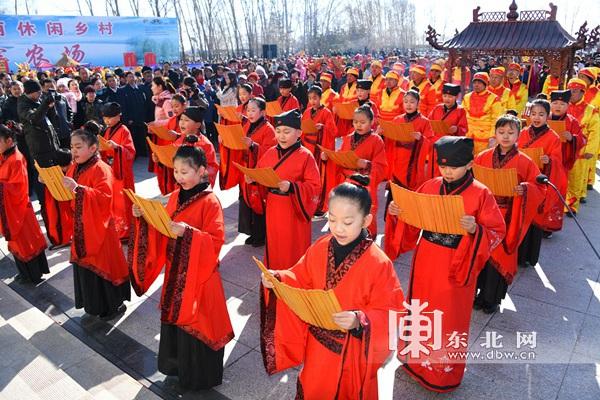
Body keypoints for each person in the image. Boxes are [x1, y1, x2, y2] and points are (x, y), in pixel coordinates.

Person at [260, 175, 404, 399]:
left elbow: (391, 310)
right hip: (317, 345)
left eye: (347, 222)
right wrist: (277, 279)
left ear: (366, 221)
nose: (338, 228)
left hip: (351, 350)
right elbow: (300, 276)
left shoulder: (379, 263)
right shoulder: (321, 246)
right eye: (332, 219)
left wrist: (360, 320)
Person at [389, 136, 505, 392]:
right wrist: (399, 213)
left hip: (459, 260)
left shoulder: (481, 193)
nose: (448, 172)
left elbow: (497, 230)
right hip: (427, 255)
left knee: (449, 315)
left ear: (470, 163)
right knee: (421, 307)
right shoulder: (430, 186)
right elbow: (413, 218)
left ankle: (443, 372)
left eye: (454, 166)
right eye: (443, 167)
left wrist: (476, 229)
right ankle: (415, 359)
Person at [128, 145, 233, 390]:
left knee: (198, 321)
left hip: (200, 275)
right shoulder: (175, 195)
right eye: (176, 171)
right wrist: (143, 216)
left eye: (185, 172)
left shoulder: (210, 201)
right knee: (176, 319)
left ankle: (199, 375)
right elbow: (163, 226)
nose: (179, 177)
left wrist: (187, 233)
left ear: (202, 171)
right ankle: (177, 367)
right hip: (176, 271)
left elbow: (216, 241)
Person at [56, 126, 130, 319]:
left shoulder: (102, 168)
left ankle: (112, 306)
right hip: (82, 225)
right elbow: (68, 192)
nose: (74, 151)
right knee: (86, 268)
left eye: (79, 146)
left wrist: (79, 189)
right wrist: (53, 183)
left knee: (103, 266)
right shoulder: (74, 166)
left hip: (99, 228)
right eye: (72, 147)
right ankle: (94, 306)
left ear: (93, 147)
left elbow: (105, 197)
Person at [473, 115, 545, 313]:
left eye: (511, 133)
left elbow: (539, 187)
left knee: (500, 255)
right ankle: (478, 294)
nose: (505, 136)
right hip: (485, 213)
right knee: (481, 254)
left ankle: (492, 299)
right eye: (501, 132)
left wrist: (525, 189)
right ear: (495, 134)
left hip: (508, 215)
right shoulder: (483, 156)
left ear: (517, 135)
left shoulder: (525, 161)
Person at [251, 109, 321, 269]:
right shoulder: (270, 152)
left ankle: (294, 283)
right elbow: (260, 171)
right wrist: (253, 179)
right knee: (275, 244)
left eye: (286, 132)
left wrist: (292, 187)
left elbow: (315, 186)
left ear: (299, 133)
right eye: (278, 131)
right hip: (273, 207)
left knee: (293, 248)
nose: (281, 136)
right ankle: (275, 280)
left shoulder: (306, 156)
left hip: (294, 209)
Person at [219, 97, 276, 246]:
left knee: (258, 203)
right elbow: (238, 143)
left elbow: (271, 151)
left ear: (263, 112)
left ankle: (260, 236)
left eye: (253, 110)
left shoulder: (268, 129)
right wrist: (226, 140)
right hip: (246, 169)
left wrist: (254, 146)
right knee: (246, 201)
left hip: (257, 171)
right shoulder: (246, 126)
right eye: (248, 110)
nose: (249, 113)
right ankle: (251, 232)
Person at [518, 99, 566, 267]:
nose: (536, 118)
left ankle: (529, 256)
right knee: (519, 217)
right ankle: (517, 254)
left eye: (541, 114)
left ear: (548, 116)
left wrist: (549, 160)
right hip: (522, 180)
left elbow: (558, 161)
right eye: (533, 114)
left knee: (534, 218)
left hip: (539, 183)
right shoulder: (523, 132)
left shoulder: (553, 137)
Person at [325, 104, 386, 235]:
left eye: (363, 122)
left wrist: (367, 165)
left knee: (361, 218)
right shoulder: (347, 138)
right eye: (355, 122)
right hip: (345, 184)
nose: (358, 125)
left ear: (372, 121)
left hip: (363, 185)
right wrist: (329, 158)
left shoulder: (376, 140)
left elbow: (381, 167)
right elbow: (339, 159)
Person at [0, 123, 49, 284]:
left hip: (19, 209)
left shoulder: (16, 159)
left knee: (26, 243)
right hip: (11, 209)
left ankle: (33, 275)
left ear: (8, 140)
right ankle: (26, 274)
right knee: (19, 243)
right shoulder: (5, 155)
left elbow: (19, 187)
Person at [98, 103, 136, 240]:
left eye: (110, 117)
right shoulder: (107, 131)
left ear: (119, 116)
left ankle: (126, 230)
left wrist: (117, 148)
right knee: (113, 199)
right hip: (110, 167)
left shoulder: (124, 130)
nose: (107, 121)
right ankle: (117, 228)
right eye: (105, 118)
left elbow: (130, 151)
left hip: (121, 169)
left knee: (123, 199)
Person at [302, 86, 338, 214]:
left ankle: (319, 205)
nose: (312, 101)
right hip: (307, 148)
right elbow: (302, 129)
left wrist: (322, 127)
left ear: (320, 98)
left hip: (319, 148)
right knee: (307, 176)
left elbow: (333, 131)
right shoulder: (306, 112)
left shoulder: (326, 113)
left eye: (315, 98)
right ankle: (307, 200)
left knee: (319, 177)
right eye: (310, 98)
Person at [566, 78, 600, 203]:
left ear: (582, 92)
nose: (571, 93)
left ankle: (572, 204)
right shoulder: (563, 105)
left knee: (578, 176)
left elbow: (595, 132)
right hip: (565, 146)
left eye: (574, 91)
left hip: (581, 148)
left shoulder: (591, 110)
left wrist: (591, 149)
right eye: (569, 90)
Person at [428, 83, 469, 176]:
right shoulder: (437, 108)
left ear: (456, 97)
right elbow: (428, 123)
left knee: (445, 170)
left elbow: (465, 129)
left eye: (450, 96)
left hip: (450, 146)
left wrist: (457, 129)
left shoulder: (461, 110)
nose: (447, 99)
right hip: (435, 143)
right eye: (445, 96)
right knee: (433, 168)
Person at [462, 72, 503, 154]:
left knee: (482, 161)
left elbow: (496, 119)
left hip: (485, 138)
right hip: (468, 136)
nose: (476, 85)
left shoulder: (494, 99)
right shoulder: (467, 97)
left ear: (486, 84)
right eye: (475, 82)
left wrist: (493, 136)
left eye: (480, 83)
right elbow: (462, 116)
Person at [119, 71, 148, 157]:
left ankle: (142, 152)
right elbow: (123, 106)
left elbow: (143, 102)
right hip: (131, 118)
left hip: (140, 116)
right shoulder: (123, 90)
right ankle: (134, 154)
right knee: (133, 136)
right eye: (129, 77)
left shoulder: (139, 88)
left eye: (132, 76)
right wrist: (127, 118)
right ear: (126, 79)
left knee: (142, 134)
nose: (131, 78)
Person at [333, 67, 359, 137]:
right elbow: (341, 99)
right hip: (343, 114)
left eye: (351, 76)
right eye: (348, 75)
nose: (348, 77)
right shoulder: (343, 87)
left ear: (355, 77)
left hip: (352, 114)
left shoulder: (359, 87)